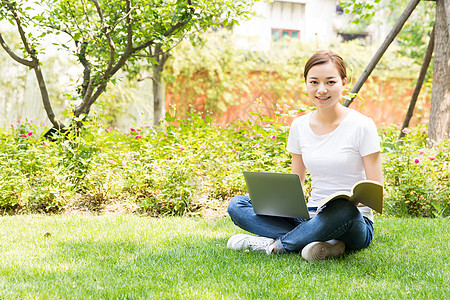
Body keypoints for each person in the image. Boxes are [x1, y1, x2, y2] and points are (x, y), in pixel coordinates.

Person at [226, 50, 383, 261]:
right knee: (237, 205)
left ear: (343, 83)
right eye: (314, 82)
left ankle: (274, 246)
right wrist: (281, 204)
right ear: (306, 83)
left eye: (330, 82)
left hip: (353, 220)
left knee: (342, 210)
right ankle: (322, 241)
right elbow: (297, 182)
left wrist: (356, 203)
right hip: (310, 213)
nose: (322, 89)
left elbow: (376, 191)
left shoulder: (362, 125)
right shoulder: (299, 126)